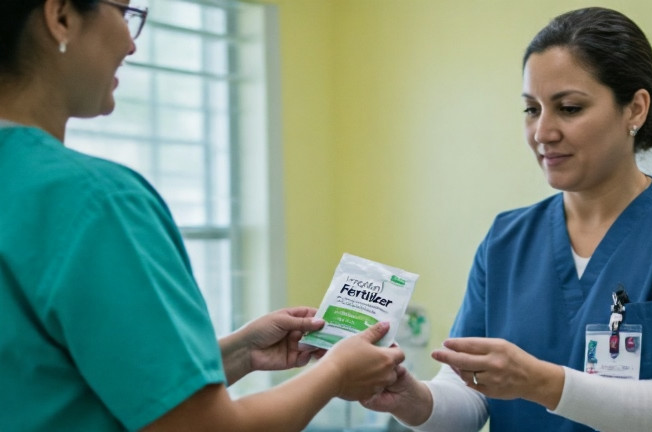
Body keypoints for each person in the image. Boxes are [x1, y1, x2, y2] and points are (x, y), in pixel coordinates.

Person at [0, 1, 405, 431]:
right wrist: (335, 372)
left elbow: (57, 376)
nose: (131, 43)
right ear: (60, 16)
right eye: (125, 12)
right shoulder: (95, 201)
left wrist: (240, 352)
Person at [362, 7, 652, 432]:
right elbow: (466, 396)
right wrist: (410, 398)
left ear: (635, 109)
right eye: (532, 110)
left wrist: (539, 382)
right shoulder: (507, 241)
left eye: (569, 108)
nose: (543, 132)